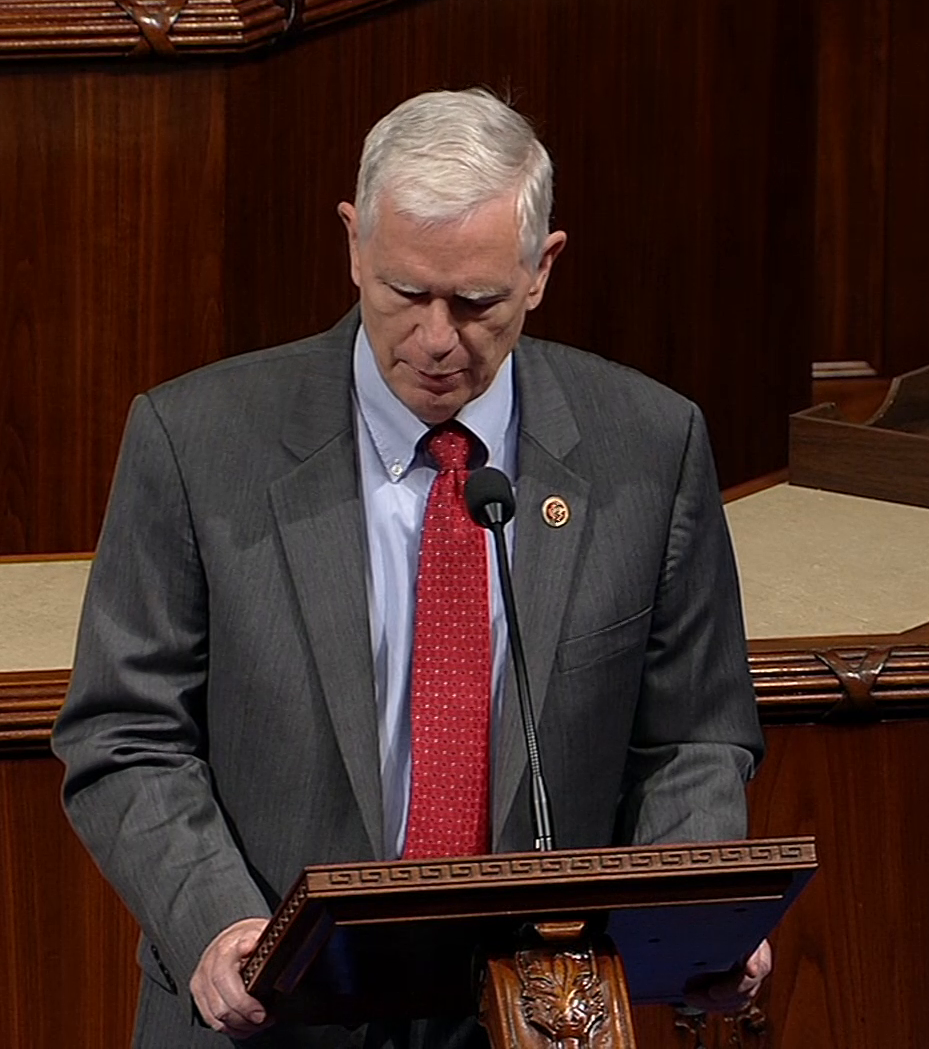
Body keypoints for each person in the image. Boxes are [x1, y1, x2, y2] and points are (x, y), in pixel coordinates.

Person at [53, 88, 767, 1048]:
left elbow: (694, 736)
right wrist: (220, 925)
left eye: (477, 303)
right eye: (404, 293)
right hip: (271, 1015)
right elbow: (124, 732)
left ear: (542, 267)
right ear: (353, 244)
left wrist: (691, 910)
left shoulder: (648, 446)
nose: (437, 340)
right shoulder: (197, 443)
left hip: (534, 1013)